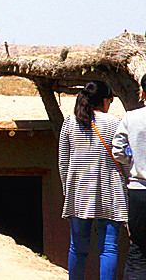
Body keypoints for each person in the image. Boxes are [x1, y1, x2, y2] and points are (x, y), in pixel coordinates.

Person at [59, 80, 126, 280]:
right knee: (109, 249)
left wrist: (67, 189)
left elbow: (63, 160)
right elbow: (123, 158)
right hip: (110, 191)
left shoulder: (70, 122)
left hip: (79, 192)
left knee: (78, 248)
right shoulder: (114, 123)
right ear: (105, 101)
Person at [113, 73, 146, 278]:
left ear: (142, 92)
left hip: (139, 193)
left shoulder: (131, 118)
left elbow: (118, 150)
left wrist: (131, 165)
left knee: (138, 251)